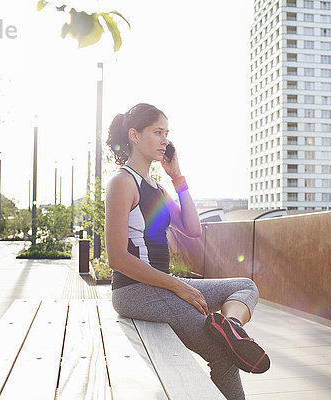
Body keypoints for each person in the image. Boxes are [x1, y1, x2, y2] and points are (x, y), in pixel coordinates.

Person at [105, 103, 270, 400]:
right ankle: (227, 339)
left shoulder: (156, 188)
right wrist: (178, 286)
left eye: (167, 133)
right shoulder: (122, 183)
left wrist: (177, 177)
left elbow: (192, 228)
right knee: (223, 356)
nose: (165, 140)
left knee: (245, 286)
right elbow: (116, 258)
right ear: (134, 135)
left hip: (161, 286)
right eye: (157, 132)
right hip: (135, 291)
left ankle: (230, 326)